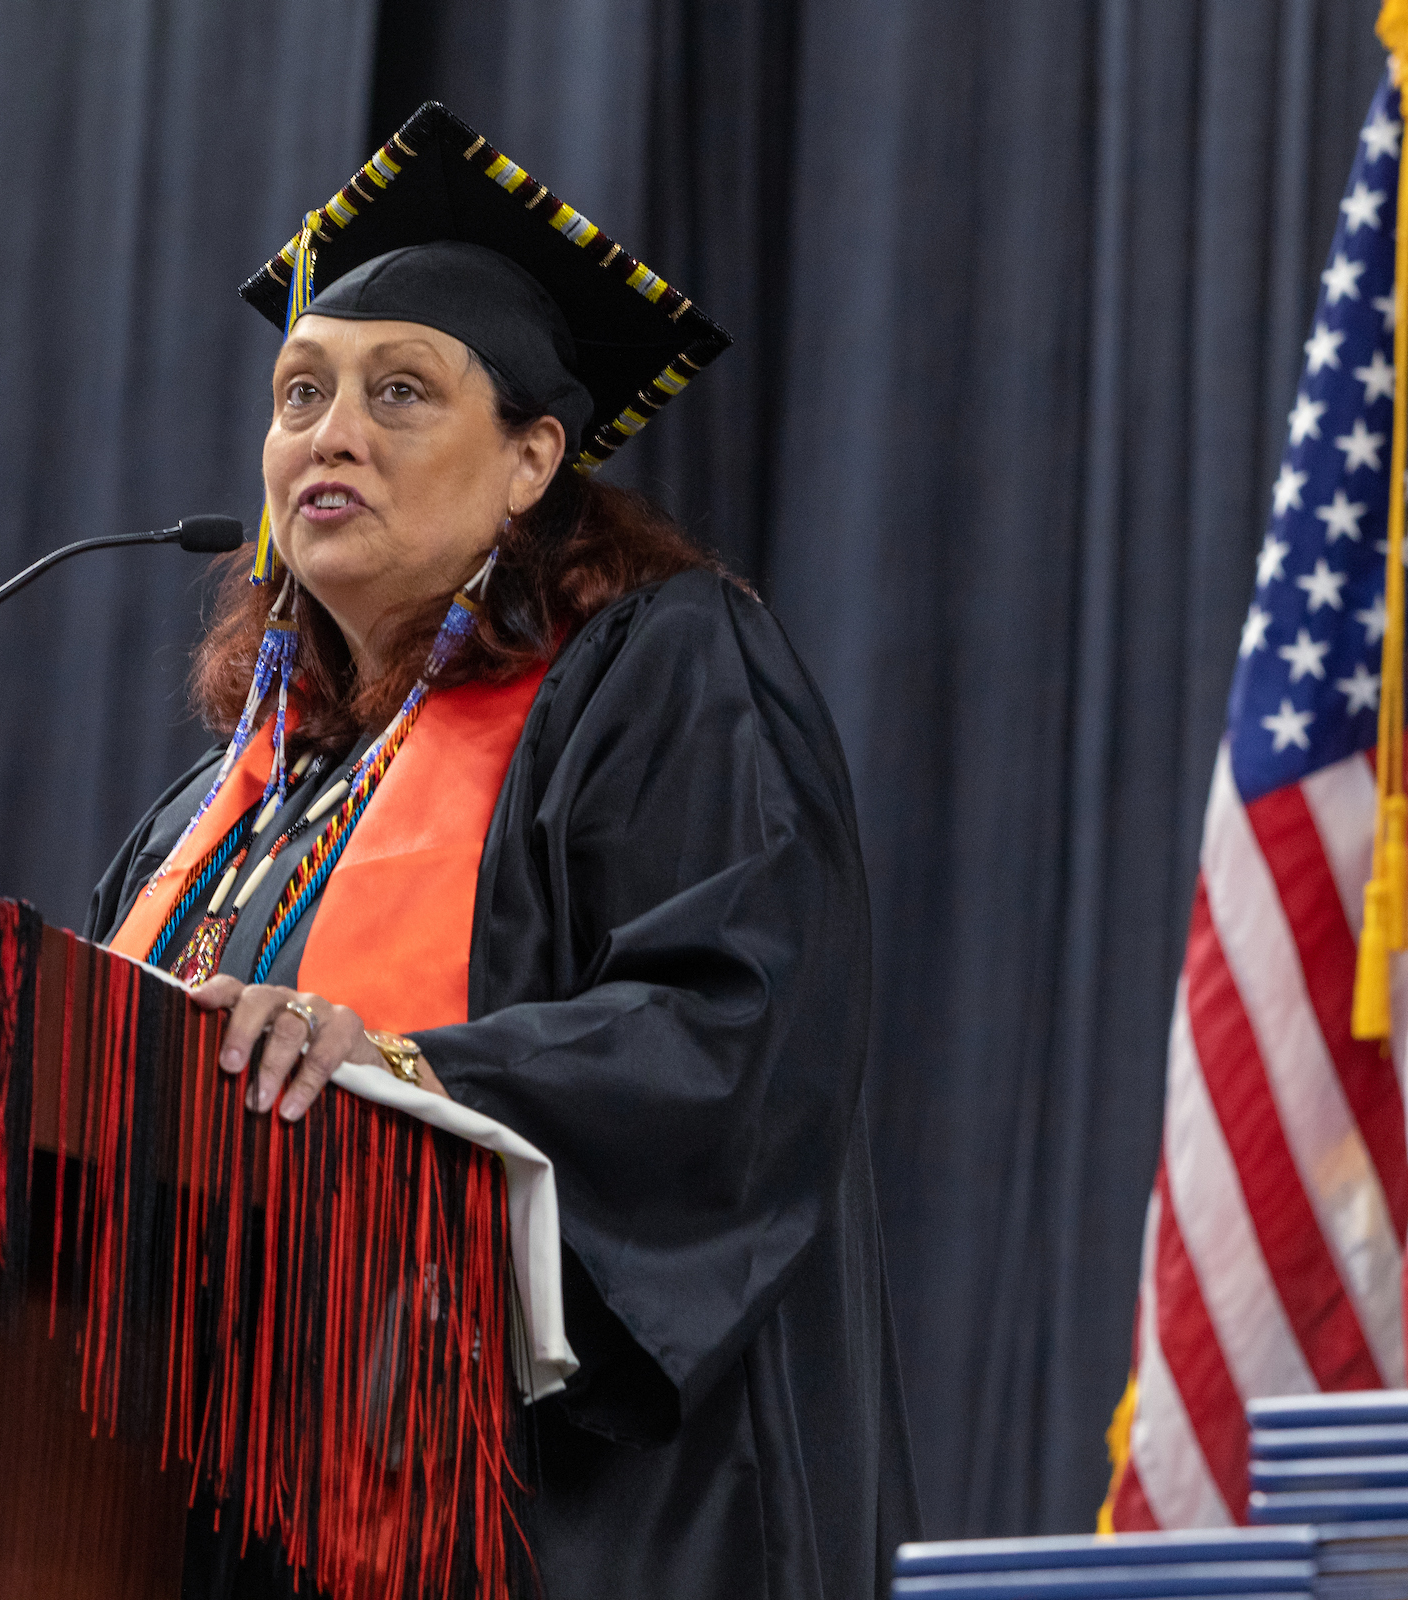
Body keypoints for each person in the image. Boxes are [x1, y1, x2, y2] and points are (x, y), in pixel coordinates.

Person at [87, 103, 919, 1600]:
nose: (328, 433)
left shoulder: (663, 675)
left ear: (535, 457)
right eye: (299, 395)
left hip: (571, 1524)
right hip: (230, 1524)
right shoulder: (215, 817)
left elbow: (733, 1034)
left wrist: (391, 1073)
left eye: (399, 392)